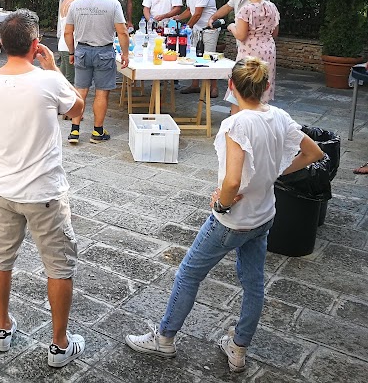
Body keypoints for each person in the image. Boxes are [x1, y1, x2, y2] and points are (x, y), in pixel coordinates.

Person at [125, 57, 323, 373]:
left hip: (232, 220)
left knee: (189, 274)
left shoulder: (237, 124)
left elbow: (232, 181)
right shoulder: (280, 117)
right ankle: (238, 348)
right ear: (265, 86)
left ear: (231, 85)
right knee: (254, 283)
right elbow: (314, 153)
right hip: (264, 216)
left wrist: (222, 205)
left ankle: (164, 338)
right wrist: (274, 173)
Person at [0, 9, 86, 368]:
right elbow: (78, 110)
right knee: (59, 265)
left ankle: (2, 327)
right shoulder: (49, 81)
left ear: (1, 43)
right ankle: (59, 344)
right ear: (36, 44)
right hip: (45, 193)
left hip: (3, 191)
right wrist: (53, 68)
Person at [64, 0, 130, 143]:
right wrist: (125, 54)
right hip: (104, 52)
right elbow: (122, 32)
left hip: (82, 50)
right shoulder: (113, 4)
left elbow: (68, 32)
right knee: (101, 92)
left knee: (80, 90)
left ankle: (74, 130)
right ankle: (97, 131)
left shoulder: (76, 4)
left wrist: (71, 52)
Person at [226, 0, 280, 111]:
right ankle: (260, 116)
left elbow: (241, 35)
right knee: (261, 82)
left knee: (242, 83)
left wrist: (231, 27)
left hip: (250, 49)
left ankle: (237, 118)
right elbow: (275, 32)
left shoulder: (247, 9)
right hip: (268, 49)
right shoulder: (272, 7)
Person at [176, 0, 220, 97]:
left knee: (209, 56)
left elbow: (197, 14)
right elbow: (190, 10)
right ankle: (195, 84)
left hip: (209, 28)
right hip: (196, 29)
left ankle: (214, 87)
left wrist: (186, 27)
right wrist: (177, 18)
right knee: (194, 55)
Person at [56, 0, 86, 85]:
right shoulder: (74, 4)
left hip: (63, 44)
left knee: (63, 77)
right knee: (70, 80)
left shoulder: (66, 1)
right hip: (70, 44)